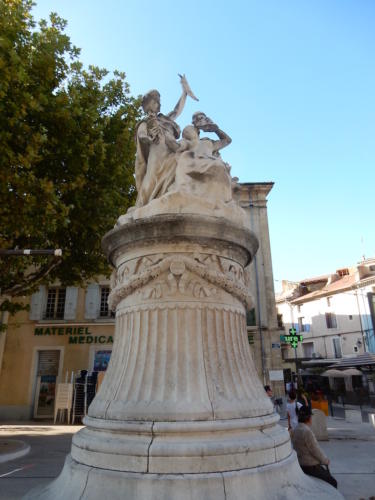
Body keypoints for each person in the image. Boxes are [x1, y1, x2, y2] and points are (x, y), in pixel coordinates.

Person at [134, 75, 197, 207]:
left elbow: (177, 110)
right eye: (154, 101)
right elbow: (141, 135)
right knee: (151, 177)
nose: (157, 104)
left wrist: (184, 93)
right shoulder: (145, 122)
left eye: (157, 101)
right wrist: (149, 139)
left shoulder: (165, 119)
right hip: (156, 149)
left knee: (177, 170)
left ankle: (169, 200)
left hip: (171, 147)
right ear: (148, 104)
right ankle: (142, 206)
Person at [292, 407, 338, 489]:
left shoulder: (296, 429)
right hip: (310, 466)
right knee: (333, 482)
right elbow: (315, 450)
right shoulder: (307, 431)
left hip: (300, 463)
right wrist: (325, 460)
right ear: (309, 418)